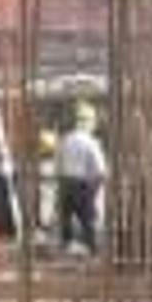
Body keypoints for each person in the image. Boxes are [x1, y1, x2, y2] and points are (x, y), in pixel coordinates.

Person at [55, 101, 107, 255]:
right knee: (87, 219)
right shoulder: (91, 142)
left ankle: (66, 245)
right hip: (83, 185)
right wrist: (95, 189)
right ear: (89, 123)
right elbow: (101, 169)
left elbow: (57, 163)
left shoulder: (65, 139)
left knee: (65, 218)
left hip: (65, 183)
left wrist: (60, 181)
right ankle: (92, 248)